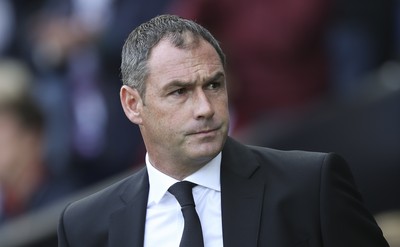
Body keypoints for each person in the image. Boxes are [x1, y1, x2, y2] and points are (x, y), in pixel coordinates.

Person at [57, 14, 389, 247]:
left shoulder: (311, 185)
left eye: (214, 84)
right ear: (132, 104)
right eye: (179, 91)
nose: (205, 107)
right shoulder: (85, 226)